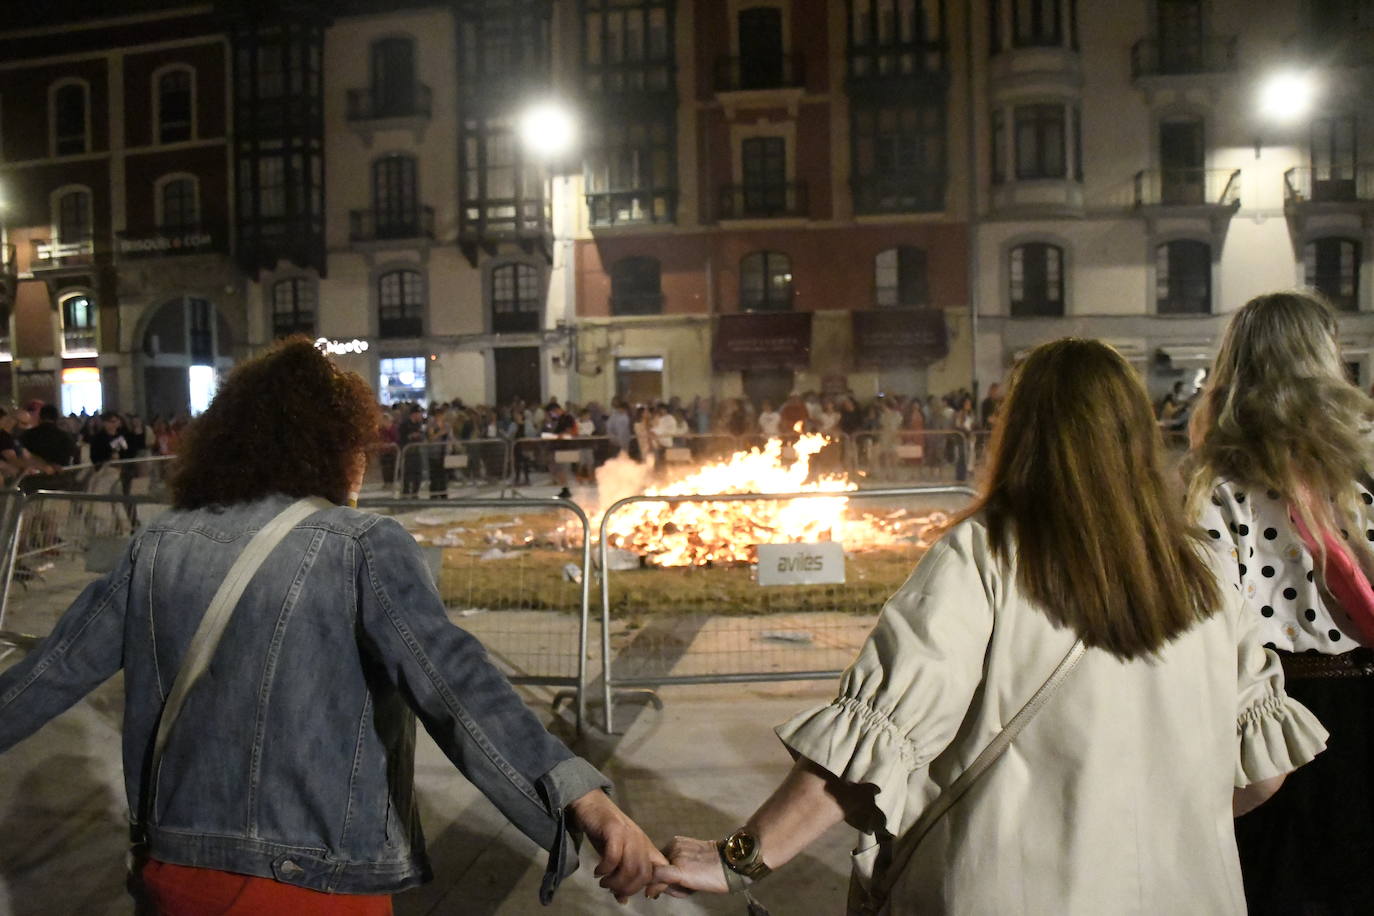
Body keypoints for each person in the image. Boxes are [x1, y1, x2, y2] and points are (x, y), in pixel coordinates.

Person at [655, 338, 1326, 914]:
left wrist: (735, 858)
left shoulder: (984, 556)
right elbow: (1263, 774)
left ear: (1021, 432)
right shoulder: (1207, 567)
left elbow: (874, 744)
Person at [0, 338, 665, 913]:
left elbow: (43, 678)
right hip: (309, 882)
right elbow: (460, 690)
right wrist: (583, 798)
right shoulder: (361, 545)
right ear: (335, 446)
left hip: (174, 871)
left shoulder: (158, 544)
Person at [1187, 291, 1374, 914]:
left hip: (1277, 720)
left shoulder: (1220, 490)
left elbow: (1208, 625)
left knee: (1278, 888)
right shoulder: (1362, 474)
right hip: (1364, 694)